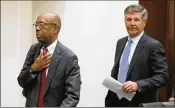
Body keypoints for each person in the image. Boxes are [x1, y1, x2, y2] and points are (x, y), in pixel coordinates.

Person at [105, 4, 169, 107]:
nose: (132, 23)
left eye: (136, 20)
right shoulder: (120, 43)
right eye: (129, 19)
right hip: (116, 102)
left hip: (139, 103)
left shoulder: (153, 46)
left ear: (144, 23)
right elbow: (118, 70)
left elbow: (163, 77)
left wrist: (138, 85)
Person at [17, 12, 81, 107]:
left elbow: (72, 96)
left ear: (55, 29)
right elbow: (21, 81)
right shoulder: (33, 50)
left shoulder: (69, 57)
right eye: (36, 25)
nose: (37, 28)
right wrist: (32, 69)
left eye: (42, 25)